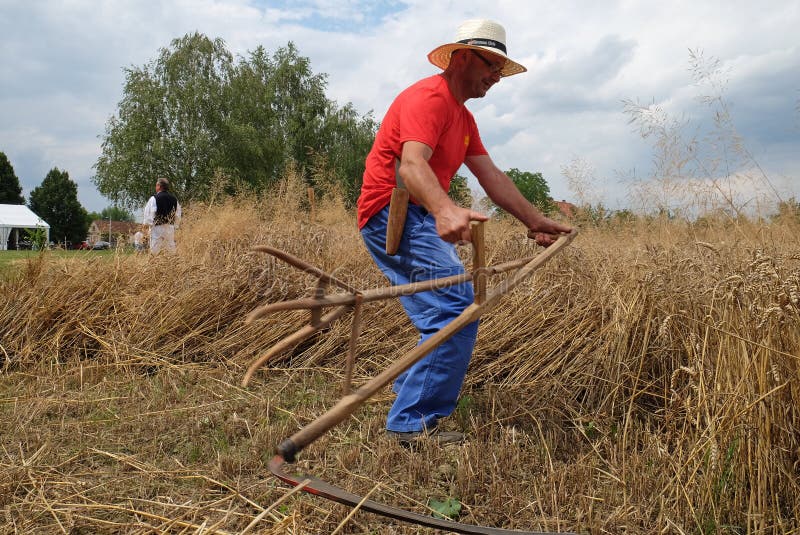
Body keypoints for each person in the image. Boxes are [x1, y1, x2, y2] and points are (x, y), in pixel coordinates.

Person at [357, 19, 573, 446]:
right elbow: (412, 165)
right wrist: (443, 209)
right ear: (460, 58)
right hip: (392, 213)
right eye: (491, 64)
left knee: (444, 311)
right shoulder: (428, 99)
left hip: (419, 215)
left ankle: (412, 395)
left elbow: (490, 175)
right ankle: (412, 423)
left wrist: (535, 221)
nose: (495, 77)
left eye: (500, 70)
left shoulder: (462, 117)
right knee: (454, 309)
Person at [143, 177, 181, 254]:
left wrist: (148, 226)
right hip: (170, 228)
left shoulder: (154, 198)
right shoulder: (174, 199)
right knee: (170, 251)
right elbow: (178, 215)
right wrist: (175, 226)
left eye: (156, 185)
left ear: (159, 186)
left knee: (155, 252)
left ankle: (154, 264)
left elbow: (149, 215)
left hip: (157, 228)